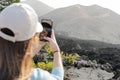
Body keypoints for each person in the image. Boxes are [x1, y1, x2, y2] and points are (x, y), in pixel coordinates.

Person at [0, 3, 64, 80]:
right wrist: (56, 51)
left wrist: (38, 45)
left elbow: (13, 58)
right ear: (32, 40)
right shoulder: (35, 76)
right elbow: (58, 78)